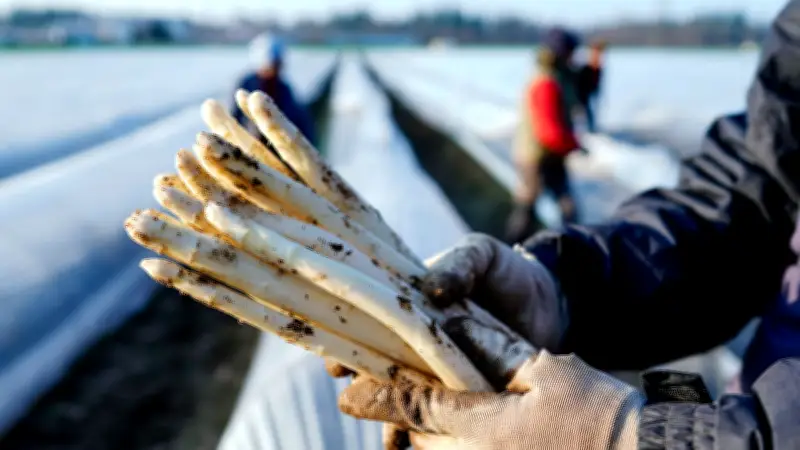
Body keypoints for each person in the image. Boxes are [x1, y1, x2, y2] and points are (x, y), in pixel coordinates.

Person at [332, 1, 800, 448]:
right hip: (752, 391)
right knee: (541, 204)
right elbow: (748, 197)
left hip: (741, 422)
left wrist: (652, 438)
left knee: (548, 202)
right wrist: (566, 287)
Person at [507, 27, 583, 245]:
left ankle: (572, 249)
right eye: (571, 52)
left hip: (545, 154)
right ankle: (511, 254)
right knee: (529, 210)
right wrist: (573, 144)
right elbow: (549, 132)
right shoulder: (546, 83)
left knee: (563, 207)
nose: (574, 57)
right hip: (537, 157)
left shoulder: (555, 77)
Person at [231, 33, 316, 146]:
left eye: (277, 66)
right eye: (271, 67)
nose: (274, 71)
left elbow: (298, 118)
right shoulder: (247, 84)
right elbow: (235, 116)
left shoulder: (284, 89)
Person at [576, 39, 607, 133]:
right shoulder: (585, 68)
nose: (598, 56)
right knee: (585, 112)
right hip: (583, 94)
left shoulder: (598, 68)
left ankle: (591, 130)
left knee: (591, 111)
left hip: (592, 92)